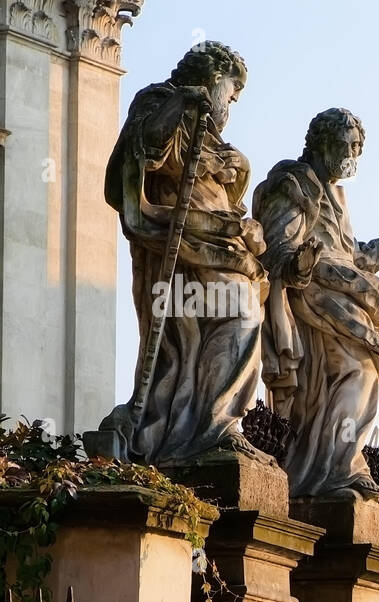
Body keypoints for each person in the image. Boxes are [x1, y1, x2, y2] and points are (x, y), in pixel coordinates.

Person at [98, 41, 267, 465]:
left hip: (220, 243)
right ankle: (211, 427)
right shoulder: (158, 101)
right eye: (233, 90)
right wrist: (180, 102)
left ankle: (214, 425)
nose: (233, 101)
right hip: (175, 241)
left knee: (236, 316)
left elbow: (232, 202)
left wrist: (245, 227)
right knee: (237, 314)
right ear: (214, 77)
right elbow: (142, 155)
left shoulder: (214, 140)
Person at [254, 108, 379, 499]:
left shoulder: (338, 196)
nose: (351, 154)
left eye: (357, 148)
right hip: (312, 297)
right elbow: (276, 246)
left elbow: (354, 257)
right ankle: (337, 467)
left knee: (355, 376)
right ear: (320, 142)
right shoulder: (293, 182)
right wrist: (298, 264)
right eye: (345, 145)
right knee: (359, 371)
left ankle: (332, 466)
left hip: (345, 296)